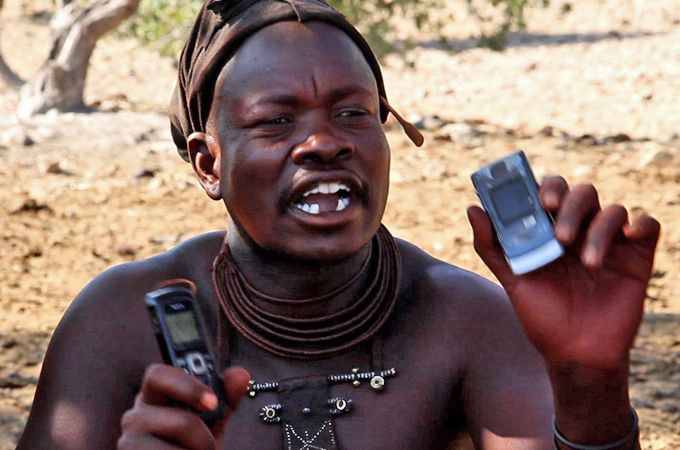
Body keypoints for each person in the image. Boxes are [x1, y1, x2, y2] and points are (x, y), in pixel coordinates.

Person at [16, 0, 660, 449]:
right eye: (275, 120)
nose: (325, 143)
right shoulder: (118, 323)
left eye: (354, 114)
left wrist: (590, 381)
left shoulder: (468, 321)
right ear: (208, 163)